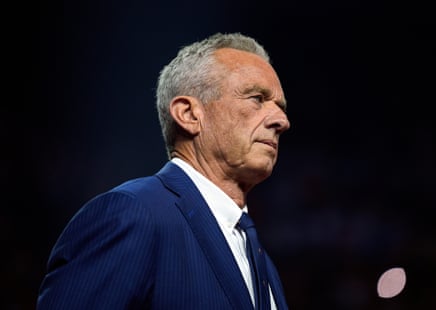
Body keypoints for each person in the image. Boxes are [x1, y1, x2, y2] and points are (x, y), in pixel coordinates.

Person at [37, 32, 291, 309]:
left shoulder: (259, 258)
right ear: (189, 115)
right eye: (257, 98)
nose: (282, 120)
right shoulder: (132, 214)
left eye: (280, 107)